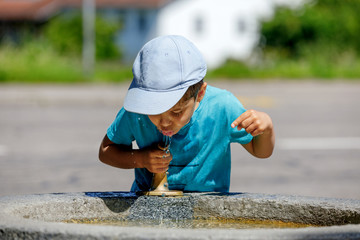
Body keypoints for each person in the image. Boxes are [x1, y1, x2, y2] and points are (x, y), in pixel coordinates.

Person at [99, 35, 275, 193]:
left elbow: (260, 151)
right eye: (154, 111)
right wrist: (141, 159)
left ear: (200, 93)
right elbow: (106, 151)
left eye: (176, 112)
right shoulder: (137, 111)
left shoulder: (221, 107)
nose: (165, 123)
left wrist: (266, 128)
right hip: (147, 208)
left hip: (208, 212)